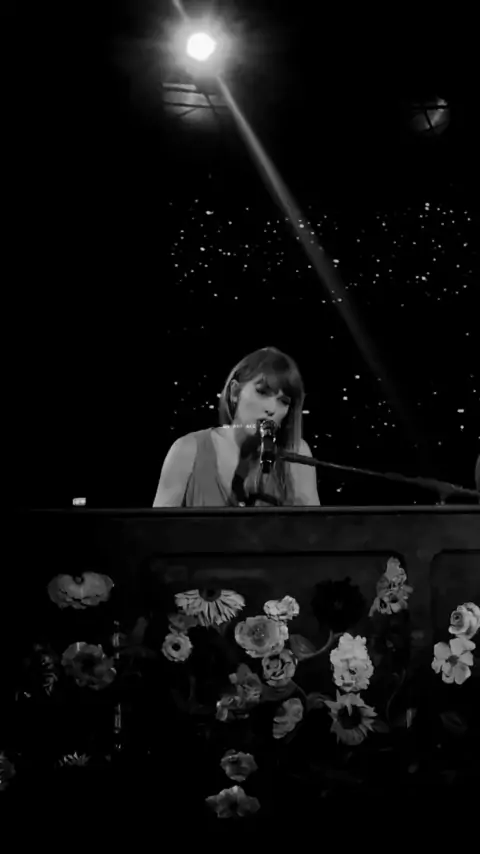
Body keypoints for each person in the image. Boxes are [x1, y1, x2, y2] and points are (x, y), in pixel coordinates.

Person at [153, 346, 321, 507]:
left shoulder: (296, 453)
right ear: (235, 392)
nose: (272, 409)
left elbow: (314, 526)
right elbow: (158, 526)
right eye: (262, 392)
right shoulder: (188, 450)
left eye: (283, 401)